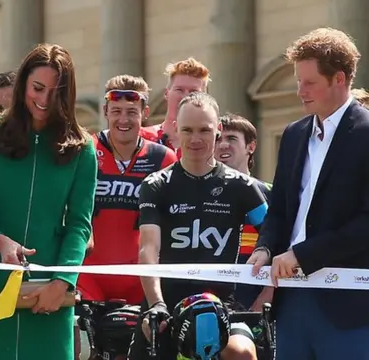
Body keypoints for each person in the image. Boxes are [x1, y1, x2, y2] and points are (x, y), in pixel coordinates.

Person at [0, 43, 97, 360]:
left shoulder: (82, 148)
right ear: (23, 84)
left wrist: (63, 282)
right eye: (37, 88)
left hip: (51, 295)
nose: (44, 100)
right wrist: (1, 243)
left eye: (56, 92)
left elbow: (79, 225)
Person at [248, 27, 369, 359]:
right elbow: (281, 209)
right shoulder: (293, 134)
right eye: (298, 81)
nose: (300, 91)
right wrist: (266, 247)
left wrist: (303, 254)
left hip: (349, 307)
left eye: (309, 82)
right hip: (293, 302)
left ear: (339, 79)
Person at [128, 92, 268, 360]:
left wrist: (266, 251)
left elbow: (274, 232)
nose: (195, 139)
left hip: (222, 305)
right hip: (165, 304)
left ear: (219, 130)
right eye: (187, 130)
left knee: (241, 353)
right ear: (176, 131)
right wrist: (156, 303)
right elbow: (148, 248)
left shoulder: (243, 186)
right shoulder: (156, 185)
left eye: (204, 130)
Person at [75, 75, 177, 360]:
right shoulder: (84, 152)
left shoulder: (163, 158)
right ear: (105, 111)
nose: (124, 119)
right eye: (116, 111)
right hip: (89, 277)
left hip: (139, 279)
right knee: (82, 350)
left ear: (144, 113)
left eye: (132, 112)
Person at [215, 113, 273, 312]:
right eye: (218, 138)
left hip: (255, 298)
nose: (223, 145)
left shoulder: (270, 193)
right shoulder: (202, 192)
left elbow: (281, 245)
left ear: (251, 147)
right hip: (213, 296)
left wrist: (268, 295)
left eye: (231, 138)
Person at [140, 57, 210, 157]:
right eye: (179, 90)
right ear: (166, 93)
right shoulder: (141, 138)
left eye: (193, 92)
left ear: (205, 98)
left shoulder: (212, 144)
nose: (185, 97)